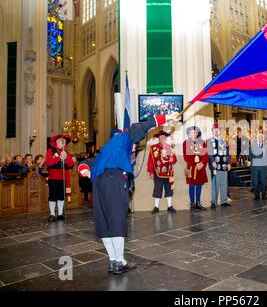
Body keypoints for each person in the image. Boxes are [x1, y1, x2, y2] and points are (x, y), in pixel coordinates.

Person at [78, 113, 177, 275]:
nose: (134, 146)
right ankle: (120, 261)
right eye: (135, 144)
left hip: (99, 183)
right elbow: (139, 128)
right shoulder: (124, 138)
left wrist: (86, 172)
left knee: (104, 222)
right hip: (114, 180)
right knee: (116, 220)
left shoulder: (106, 151)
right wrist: (165, 118)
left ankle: (113, 261)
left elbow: (84, 164)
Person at [46, 135, 74, 222]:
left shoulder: (66, 152)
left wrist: (66, 158)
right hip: (53, 178)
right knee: (53, 196)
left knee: (61, 197)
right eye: (62, 141)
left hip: (63, 178)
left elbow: (70, 164)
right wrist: (59, 157)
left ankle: (60, 213)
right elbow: (49, 163)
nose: (63, 142)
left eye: (64, 141)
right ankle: (52, 214)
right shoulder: (50, 151)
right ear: (57, 142)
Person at [148, 130, 177, 215]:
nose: (162, 138)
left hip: (168, 172)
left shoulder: (169, 147)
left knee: (169, 189)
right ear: (158, 138)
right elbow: (150, 161)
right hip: (157, 172)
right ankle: (156, 207)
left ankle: (169, 206)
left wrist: (173, 160)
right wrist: (151, 172)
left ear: (165, 138)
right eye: (161, 137)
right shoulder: (154, 148)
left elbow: (174, 159)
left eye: (164, 137)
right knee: (157, 189)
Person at [183, 126, 208, 211]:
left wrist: (202, 163)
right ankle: (192, 204)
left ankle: (198, 203)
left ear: (197, 133)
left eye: (195, 132)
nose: (194, 134)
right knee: (191, 185)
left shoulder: (202, 142)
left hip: (200, 168)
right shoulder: (186, 143)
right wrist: (195, 165)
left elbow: (205, 155)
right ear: (189, 134)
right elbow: (186, 157)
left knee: (199, 185)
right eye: (192, 132)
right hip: (190, 168)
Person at [207, 123, 231, 209]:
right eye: (215, 129)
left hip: (224, 165)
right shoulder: (209, 140)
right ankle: (214, 202)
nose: (216, 131)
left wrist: (229, 163)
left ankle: (224, 201)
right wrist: (212, 161)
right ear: (212, 131)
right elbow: (209, 152)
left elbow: (227, 153)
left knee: (224, 183)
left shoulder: (223, 140)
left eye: (218, 129)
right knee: (215, 184)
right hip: (215, 165)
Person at [250, 130, 267, 200]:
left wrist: (265, 162)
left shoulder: (266, 145)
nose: (260, 138)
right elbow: (251, 156)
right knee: (255, 181)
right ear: (256, 138)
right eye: (259, 137)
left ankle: (264, 195)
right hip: (255, 166)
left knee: (263, 181)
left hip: (263, 166)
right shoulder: (253, 145)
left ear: (263, 138)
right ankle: (256, 195)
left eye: (261, 137)